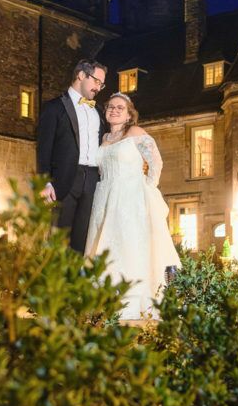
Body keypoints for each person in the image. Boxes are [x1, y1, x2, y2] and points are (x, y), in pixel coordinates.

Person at [85, 92, 180, 320]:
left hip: (129, 197)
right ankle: (103, 297)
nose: (114, 110)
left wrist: (147, 186)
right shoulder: (104, 138)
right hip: (104, 196)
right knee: (103, 244)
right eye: (111, 107)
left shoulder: (135, 133)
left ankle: (132, 299)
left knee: (128, 244)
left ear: (129, 115)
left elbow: (155, 160)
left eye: (120, 107)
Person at [36, 59, 107, 253]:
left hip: (92, 180)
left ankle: (76, 282)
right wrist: (44, 182)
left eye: (102, 84)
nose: (98, 88)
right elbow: (44, 148)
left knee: (82, 241)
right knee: (59, 240)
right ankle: (58, 283)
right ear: (81, 75)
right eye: (96, 81)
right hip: (65, 179)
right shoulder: (53, 108)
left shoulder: (99, 112)